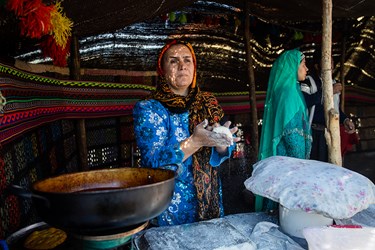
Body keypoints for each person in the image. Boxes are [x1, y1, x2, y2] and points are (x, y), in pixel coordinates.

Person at [132, 40, 240, 226]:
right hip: (171, 207)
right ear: (162, 70)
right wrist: (194, 142)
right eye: (173, 61)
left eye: (187, 60)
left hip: (209, 201)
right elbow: (152, 162)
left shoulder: (207, 102)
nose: (182, 66)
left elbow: (220, 153)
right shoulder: (149, 108)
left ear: (194, 67)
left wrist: (222, 144)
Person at [256, 49, 312, 212]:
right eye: (303, 64)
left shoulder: (291, 91)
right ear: (293, 66)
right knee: (286, 209)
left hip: (287, 164)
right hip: (290, 166)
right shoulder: (288, 94)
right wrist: (302, 168)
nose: (306, 69)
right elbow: (292, 134)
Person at [301, 47, 356, 162]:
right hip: (314, 134)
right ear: (317, 65)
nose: (330, 64)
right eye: (326, 61)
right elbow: (305, 101)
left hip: (332, 132)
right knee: (315, 166)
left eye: (331, 61)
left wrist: (345, 120)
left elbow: (335, 109)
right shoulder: (308, 81)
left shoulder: (334, 83)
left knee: (332, 164)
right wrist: (329, 91)